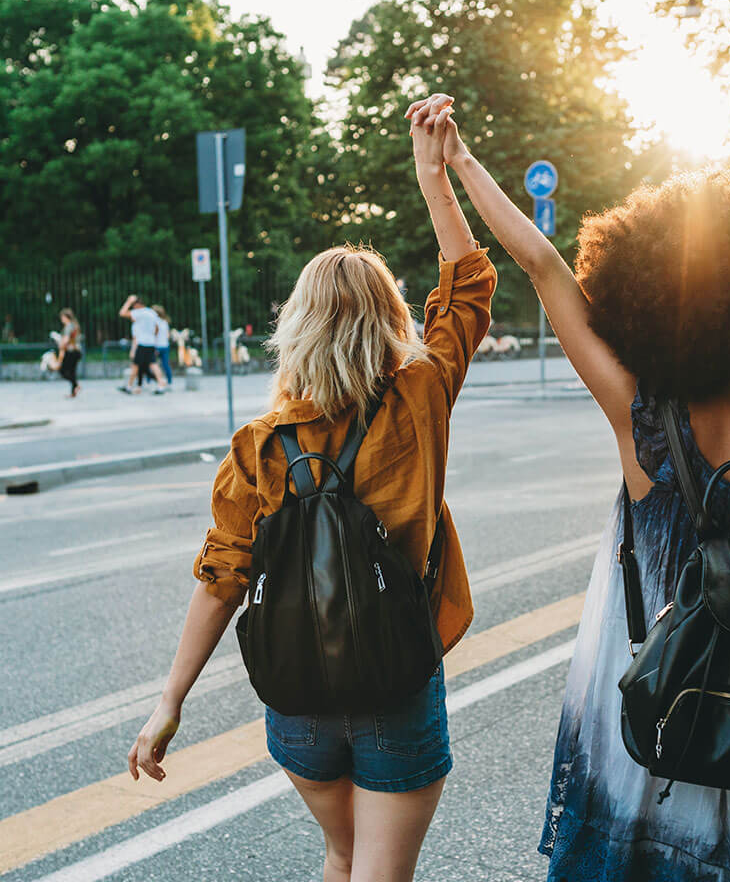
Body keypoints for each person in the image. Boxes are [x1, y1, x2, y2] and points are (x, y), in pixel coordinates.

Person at [406, 93, 730, 882]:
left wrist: (456, 163)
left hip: (657, 734)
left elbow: (541, 263)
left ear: (644, 307)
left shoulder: (643, 422)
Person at [127, 117, 496, 882]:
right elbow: (468, 287)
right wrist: (435, 171)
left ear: (296, 328)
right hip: (395, 685)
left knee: (340, 855)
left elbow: (221, 581)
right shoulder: (419, 398)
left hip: (296, 703)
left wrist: (170, 702)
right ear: (391, 320)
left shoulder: (257, 446)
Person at [118, 294, 167, 395]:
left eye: (133, 305)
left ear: (137, 304)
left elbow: (122, 313)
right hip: (151, 342)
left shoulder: (139, 312)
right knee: (153, 364)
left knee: (136, 365)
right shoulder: (151, 312)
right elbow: (157, 328)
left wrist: (128, 301)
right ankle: (161, 385)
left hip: (142, 343)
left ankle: (129, 386)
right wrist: (153, 337)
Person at [56, 308, 82, 398]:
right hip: (77, 351)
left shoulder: (68, 326)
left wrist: (61, 344)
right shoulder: (74, 325)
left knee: (62, 371)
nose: (61, 319)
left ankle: (76, 385)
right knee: (72, 372)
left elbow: (66, 340)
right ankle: (73, 392)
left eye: (62, 317)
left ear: (66, 317)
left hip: (71, 351)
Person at [151, 304, 173, 386]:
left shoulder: (154, 321)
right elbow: (168, 335)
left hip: (157, 346)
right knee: (165, 364)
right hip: (165, 345)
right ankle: (169, 381)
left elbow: (154, 334)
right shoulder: (165, 322)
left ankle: (151, 380)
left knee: (151, 364)